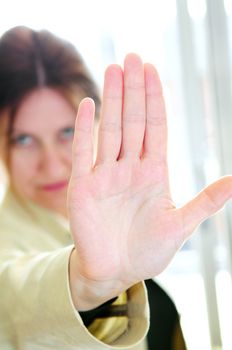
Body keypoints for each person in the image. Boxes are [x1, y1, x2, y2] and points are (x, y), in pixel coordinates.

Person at [0, 26, 231, 350]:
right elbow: (13, 302)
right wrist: (85, 285)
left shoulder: (123, 216)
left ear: (96, 124)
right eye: (23, 140)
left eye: (68, 132)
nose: (51, 165)